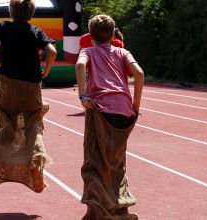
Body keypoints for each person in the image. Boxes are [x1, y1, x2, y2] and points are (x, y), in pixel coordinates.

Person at [0, 0, 57, 193]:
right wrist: (46, 71)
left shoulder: (3, 26)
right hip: (32, 87)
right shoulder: (36, 31)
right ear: (31, 14)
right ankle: (36, 162)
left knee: (7, 126)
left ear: (10, 11)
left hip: (9, 85)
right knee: (33, 124)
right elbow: (52, 51)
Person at [76, 14, 144, 220]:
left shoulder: (88, 51)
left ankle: (98, 212)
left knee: (94, 161)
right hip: (124, 114)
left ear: (92, 36)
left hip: (100, 112)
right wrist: (135, 105)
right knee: (117, 163)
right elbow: (139, 74)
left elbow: (80, 65)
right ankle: (120, 207)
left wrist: (82, 95)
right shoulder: (123, 52)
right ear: (113, 34)